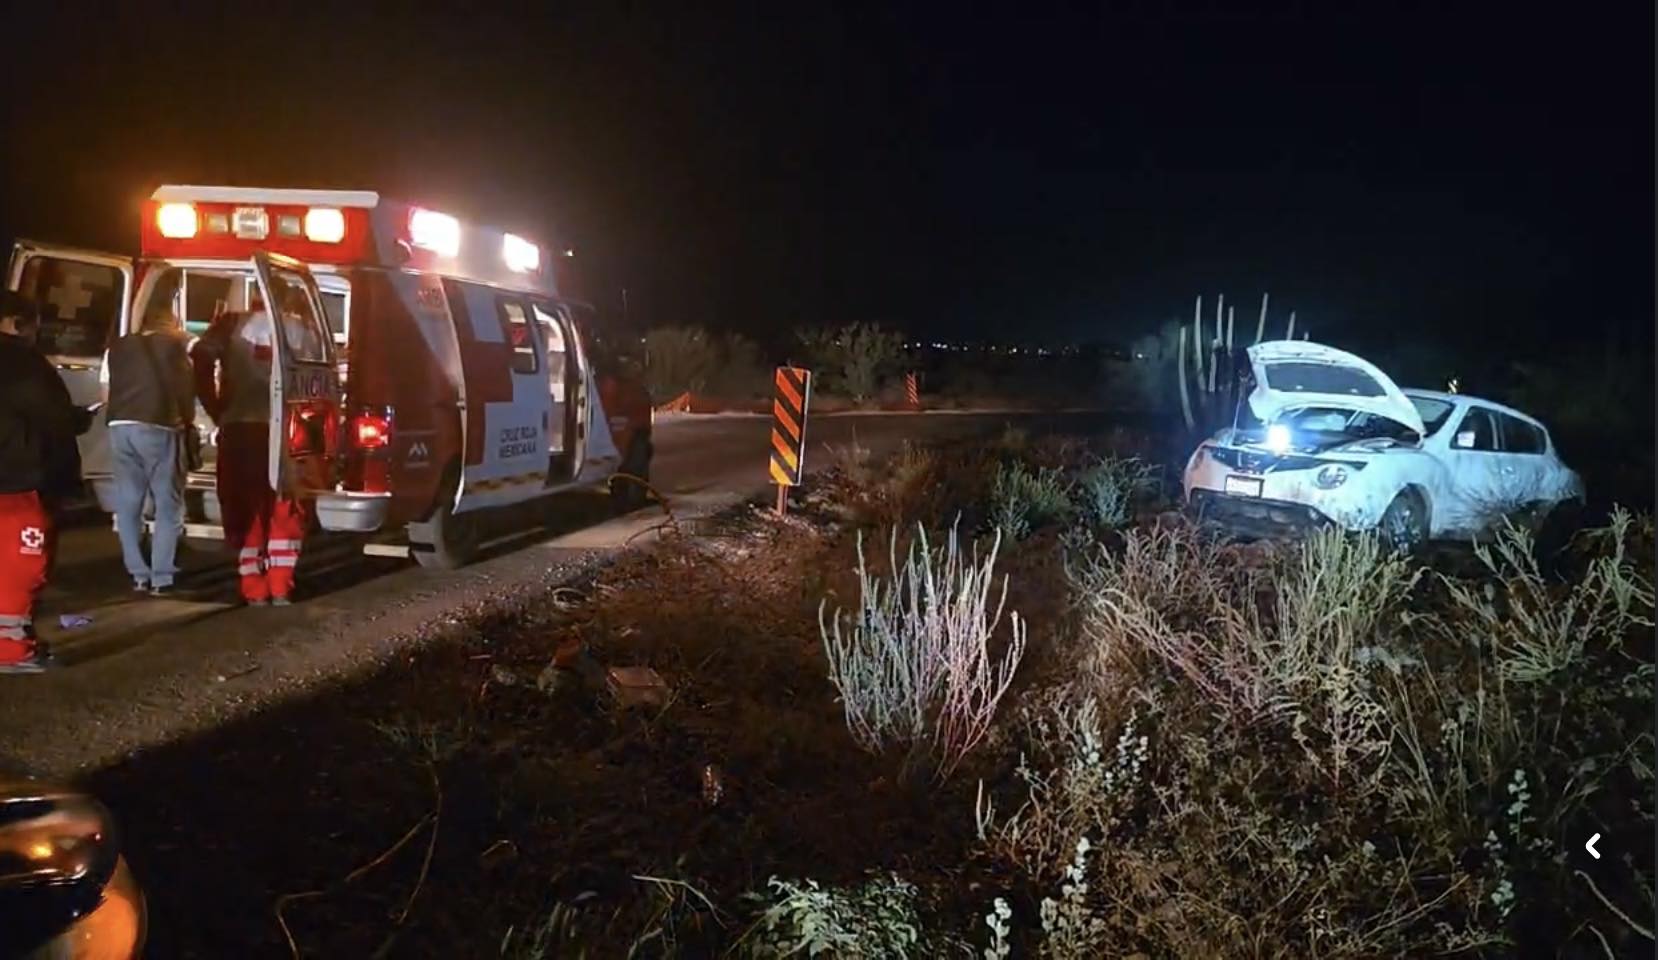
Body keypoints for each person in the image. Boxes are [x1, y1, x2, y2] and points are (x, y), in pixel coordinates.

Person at [190, 292, 307, 606]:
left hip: (239, 425)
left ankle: (253, 587)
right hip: (283, 429)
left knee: (245, 506)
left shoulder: (230, 324)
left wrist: (214, 406)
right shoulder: (301, 328)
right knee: (282, 504)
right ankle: (281, 586)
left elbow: (200, 356)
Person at [0, 290, 81, 673]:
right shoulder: (23, 362)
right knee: (22, 566)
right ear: (15, 322)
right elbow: (54, 416)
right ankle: (11, 649)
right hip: (18, 480)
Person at [102, 302, 196, 595]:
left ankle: (137, 573)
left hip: (119, 426)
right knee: (167, 503)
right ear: (171, 323)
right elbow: (186, 394)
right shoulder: (175, 349)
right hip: (158, 426)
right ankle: (162, 576)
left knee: (129, 503)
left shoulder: (115, 349)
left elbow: (105, 394)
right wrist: (188, 424)